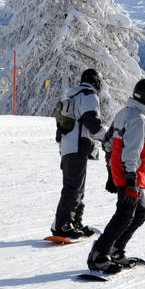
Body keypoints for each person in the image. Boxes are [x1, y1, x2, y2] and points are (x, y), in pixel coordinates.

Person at [89, 78, 145, 274]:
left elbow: (107, 142)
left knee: (139, 213)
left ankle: (115, 250)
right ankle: (99, 254)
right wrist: (129, 180)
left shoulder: (124, 113)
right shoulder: (138, 118)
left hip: (125, 173)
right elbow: (131, 152)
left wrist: (111, 172)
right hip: (131, 175)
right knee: (125, 214)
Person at [52, 69, 108, 240]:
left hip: (68, 148)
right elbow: (92, 122)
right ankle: (63, 224)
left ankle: (74, 222)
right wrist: (107, 137)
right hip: (77, 146)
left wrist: (63, 149)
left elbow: (60, 130)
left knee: (76, 187)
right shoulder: (89, 96)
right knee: (74, 188)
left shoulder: (71, 97)